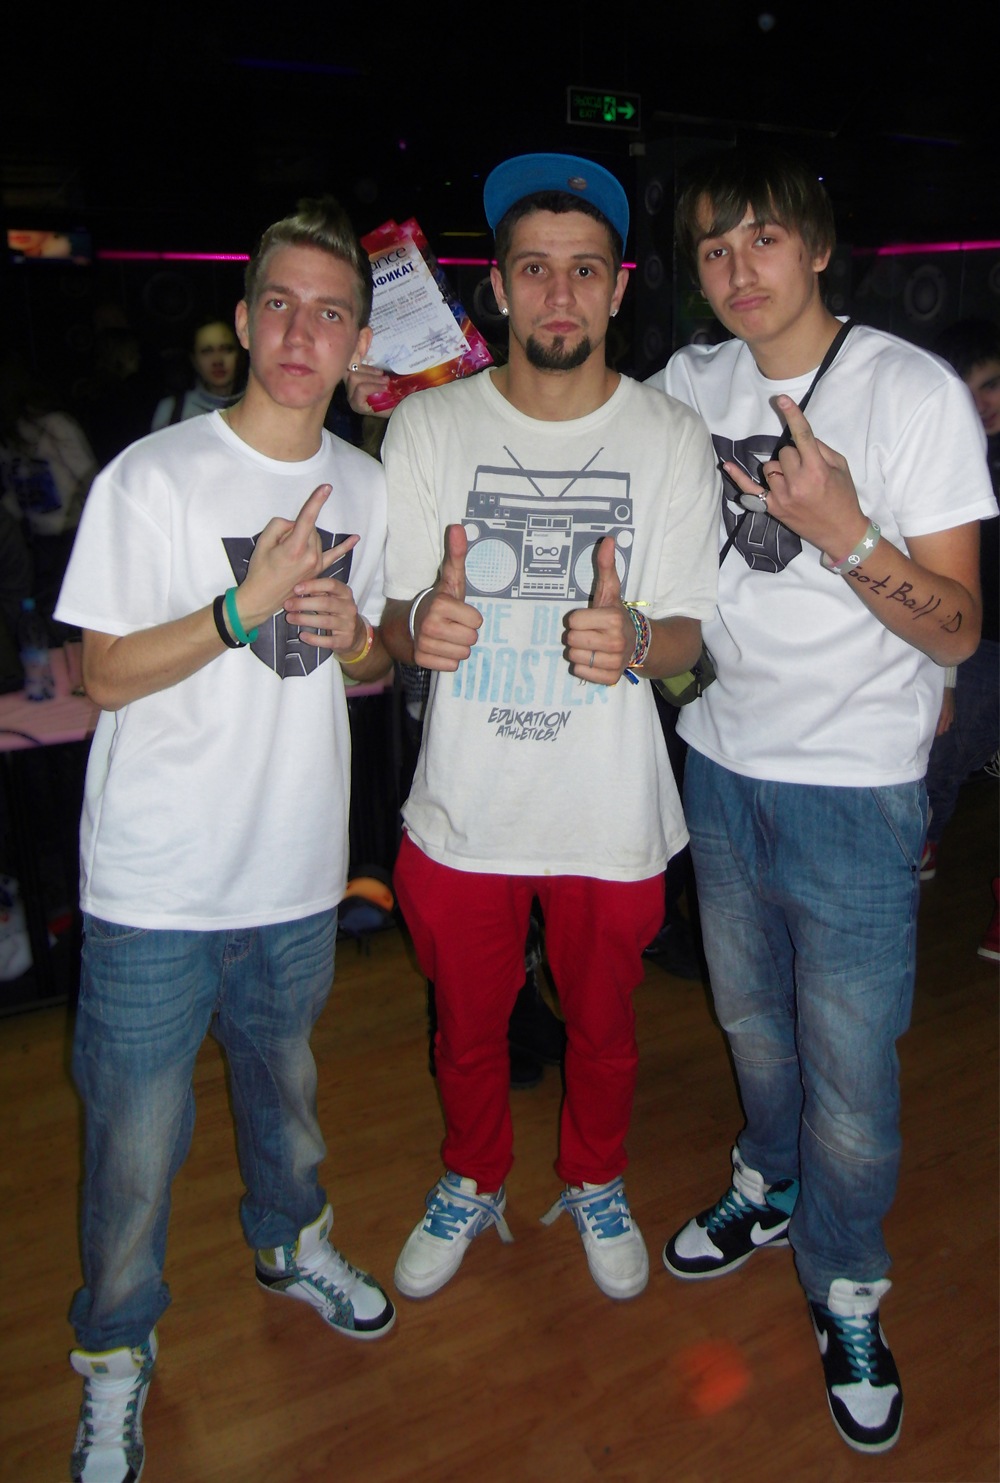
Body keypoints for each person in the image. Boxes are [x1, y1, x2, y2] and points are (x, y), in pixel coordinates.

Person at [645, 147, 996, 1454]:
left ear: (818, 245)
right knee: (751, 1018)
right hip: (720, 758)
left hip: (854, 787)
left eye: (762, 239)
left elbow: (958, 629)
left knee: (850, 1069)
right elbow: (564, 420)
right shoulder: (690, 383)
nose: (737, 268)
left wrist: (845, 529)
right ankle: (770, 1177)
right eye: (713, 248)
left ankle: (847, 1282)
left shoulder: (910, 395)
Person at [54, 196, 396, 1483]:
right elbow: (100, 673)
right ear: (246, 322)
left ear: (357, 342)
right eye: (281, 305)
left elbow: (369, 666)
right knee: (133, 1151)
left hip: (295, 872)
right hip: (155, 883)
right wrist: (238, 607)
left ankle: (291, 1241)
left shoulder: (364, 481)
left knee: (285, 1098)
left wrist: (358, 640)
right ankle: (114, 1353)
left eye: (331, 312)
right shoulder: (151, 477)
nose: (303, 332)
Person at [379, 153, 718, 1305]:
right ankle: (473, 1174)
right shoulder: (428, 426)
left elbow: (689, 630)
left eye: (583, 270)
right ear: (497, 288)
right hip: (464, 803)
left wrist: (637, 639)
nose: (559, 294)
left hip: (607, 806)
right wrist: (416, 622)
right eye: (534, 269)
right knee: (467, 1028)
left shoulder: (670, 435)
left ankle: (595, 1175)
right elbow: (390, 614)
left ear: (619, 288)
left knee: (604, 1030)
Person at [920, 319, 999, 956]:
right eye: (964, 388)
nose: (979, 403)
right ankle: (923, 837)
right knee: (943, 753)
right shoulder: (939, 460)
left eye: (991, 385)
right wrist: (942, 677)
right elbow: (937, 588)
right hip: (976, 646)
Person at [150, 316, 244, 429]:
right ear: (194, 359)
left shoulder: (259, 405)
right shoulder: (170, 411)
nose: (217, 361)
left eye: (226, 349)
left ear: (240, 354)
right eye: (206, 351)